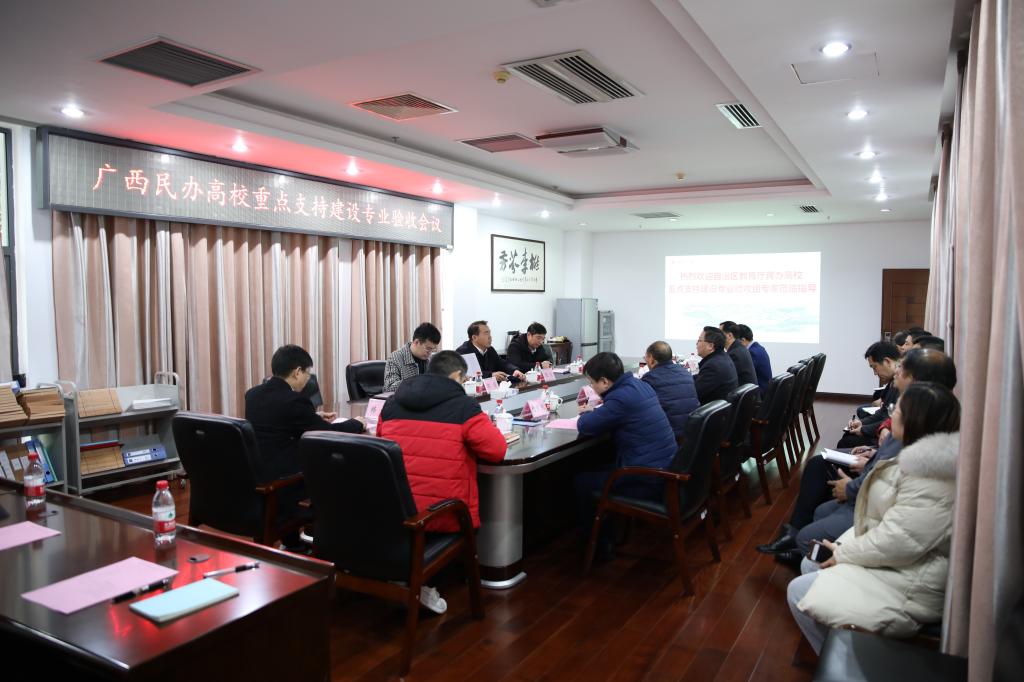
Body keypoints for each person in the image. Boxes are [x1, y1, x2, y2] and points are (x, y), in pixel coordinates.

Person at [787, 382, 961, 653]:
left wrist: (844, 553)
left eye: (897, 411)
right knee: (811, 562)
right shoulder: (918, 457)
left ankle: (842, 661)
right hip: (901, 565)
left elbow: (898, 540)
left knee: (800, 589)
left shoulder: (931, 476)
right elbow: (885, 525)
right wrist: (843, 548)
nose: (891, 416)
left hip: (910, 586)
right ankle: (841, 652)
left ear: (916, 420)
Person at [759, 349, 957, 565]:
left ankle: (802, 543)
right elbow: (887, 446)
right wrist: (873, 450)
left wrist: (852, 487)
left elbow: (890, 473)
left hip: (875, 498)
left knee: (821, 475)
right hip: (873, 479)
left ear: (916, 378)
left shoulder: (923, 420)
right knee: (820, 476)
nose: (897, 371)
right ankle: (799, 536)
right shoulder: (922, 408)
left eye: (902, 368)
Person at [377, 350, 508, 615]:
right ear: (457, 376)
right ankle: (424, 585)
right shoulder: (464, 408)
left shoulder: (391, 404)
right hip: (444, 515)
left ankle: (404, 576)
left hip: (397, 509)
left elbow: (382, 443)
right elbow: (496, 451)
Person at [245, 345, 364, 549]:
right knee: (339, 470)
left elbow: (276, 422)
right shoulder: (294, 401)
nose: (308, 379)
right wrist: (357, 423)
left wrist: (312, 416)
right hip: (287, 481)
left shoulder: (253, 395)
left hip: (257, 474)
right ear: (297, 372)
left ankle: (293, 543)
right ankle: (327, 542)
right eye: (307, 374)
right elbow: (327, 434)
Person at [574, 352, 678, 560]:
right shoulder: (640, 385)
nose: (591, 387)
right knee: (599, 464)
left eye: (592, 383)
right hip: (666, 466)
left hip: (647, 478)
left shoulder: (620, 399)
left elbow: (585, 426)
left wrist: (589, 413)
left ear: (605, 382)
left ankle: (599, 548)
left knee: (583, 482)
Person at [837, 341, 900, 448]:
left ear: (887, 362)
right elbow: (883, 413)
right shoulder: (892, 382)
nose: (875, 373)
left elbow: (890, 419)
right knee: (848, 437)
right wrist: (861, 423)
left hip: (890, 439)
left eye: (874, 367)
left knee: (846, 441)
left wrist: (864, 429)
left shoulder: (900, 385)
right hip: (885, 432)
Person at [641, 340, 699, 439]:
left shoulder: (650, 378)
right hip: (691, 431)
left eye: (645, 357)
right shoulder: (684, 372)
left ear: (651, 359)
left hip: (669, 434)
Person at [454, 320, 525, 382]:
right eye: (486, 333)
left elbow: (502, 363)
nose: (490, 337)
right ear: (474, 337)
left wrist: (514, 370)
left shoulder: (490, 350)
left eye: (489, 333)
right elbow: (471, 375)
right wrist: (491, 375)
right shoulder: (463, 352)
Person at [383, 322, 441, 392]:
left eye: (432, 349)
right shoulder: (395, 358)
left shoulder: (430, 359)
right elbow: (389, 388)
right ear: (416, 342)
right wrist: (417, 381)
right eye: (428, 348)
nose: (430, 353)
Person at [694, 326, 738, 404]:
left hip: (710, 409)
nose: (696, 343)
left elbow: (694, 393)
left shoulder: (713, 366)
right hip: (722, 407)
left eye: (699, 340)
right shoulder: (723, 357)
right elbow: (701, 377)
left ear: (710, 346)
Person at [736, 324, 772, 397]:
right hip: (764, 389)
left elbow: (743, 375)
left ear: (743, 340)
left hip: (760, 393)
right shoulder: (757, 347)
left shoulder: (752, 353)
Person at [720, 321, 758, 386]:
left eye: (720, 334)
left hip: (744, 391)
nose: (717, 337)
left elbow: (723, 377)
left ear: (729, 336)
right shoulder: (739, 348)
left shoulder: (734, 354)